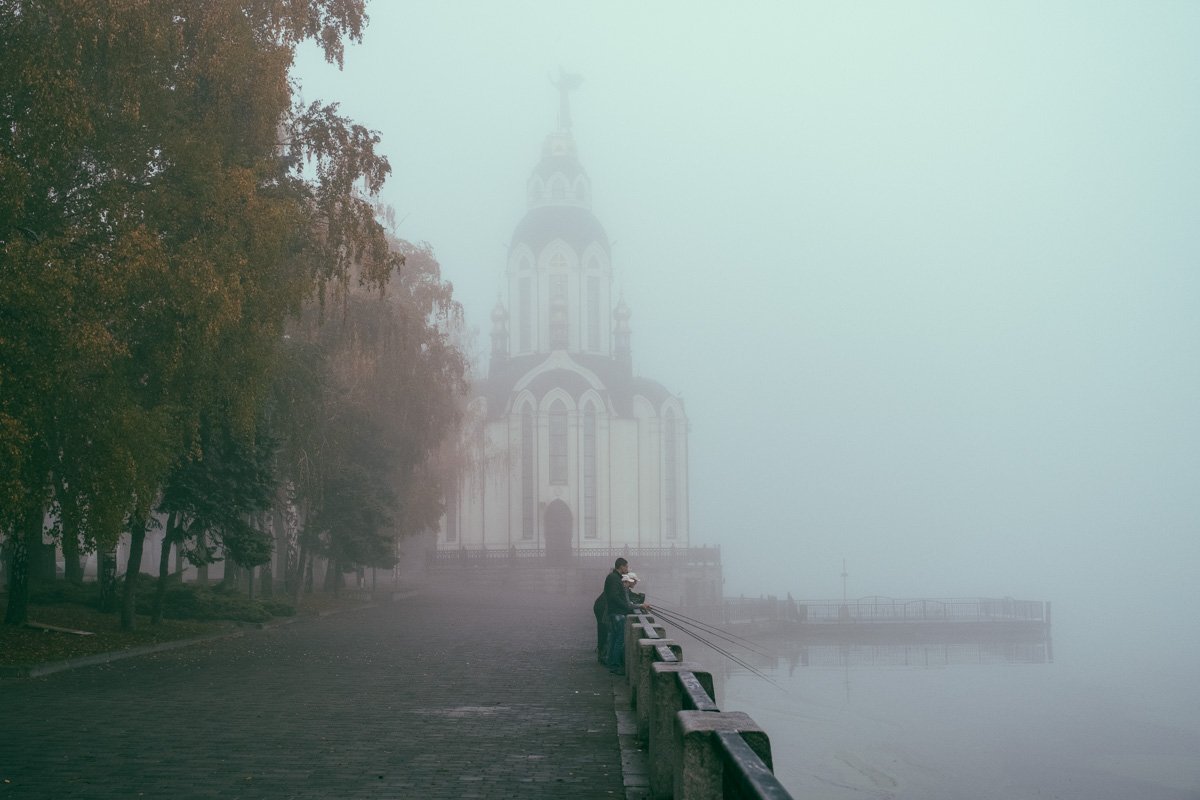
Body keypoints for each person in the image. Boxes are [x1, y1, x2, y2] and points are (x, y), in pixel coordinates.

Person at [604, 557, 649, 675]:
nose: (627, 569)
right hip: (617, 613)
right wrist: (626, 606)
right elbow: (614, 597)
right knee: (619, 640)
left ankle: (611, 663)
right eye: (626, 567)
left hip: (615, 612)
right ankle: (614, 666)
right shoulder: (614, 579)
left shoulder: (614, 578)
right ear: (621, 567)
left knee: (614, 639)